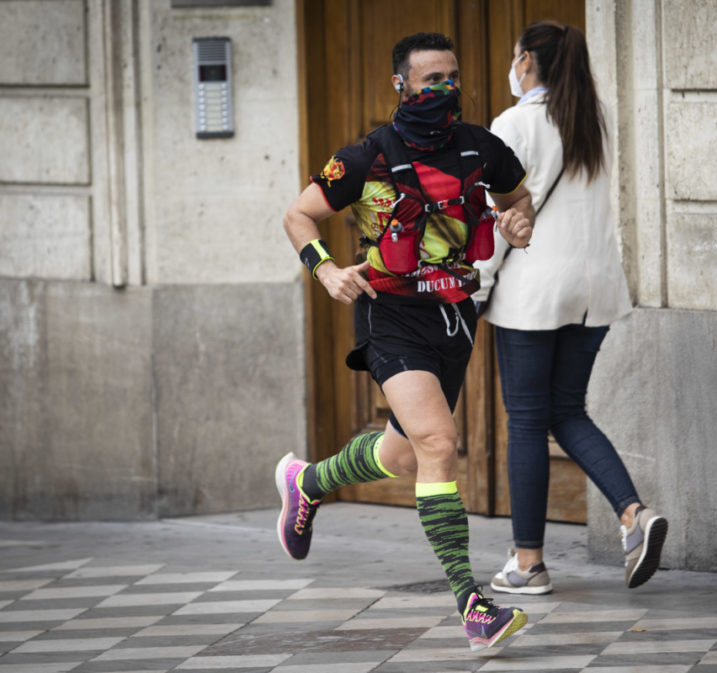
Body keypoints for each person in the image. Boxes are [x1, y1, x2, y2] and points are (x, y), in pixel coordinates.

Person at [273, 32, 535, 651]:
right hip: (389, 315)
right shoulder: (366, 156)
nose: (443, 91)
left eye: (452, 78)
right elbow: (298, 215)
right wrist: (327, 269)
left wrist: (520, 222)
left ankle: (307, 483)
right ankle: (472, 605)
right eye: (430, 80)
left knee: (403, 457)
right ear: (402, 86)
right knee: (441, 442)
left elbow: (517, 199)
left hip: (454, 316)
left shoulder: (483, 148)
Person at [473, 21, 668, 595]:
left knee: (530, 420)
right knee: (566, 410)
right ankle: (634, 516)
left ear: (527, 60)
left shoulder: (515, 124)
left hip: (533, 292)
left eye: (515, 56)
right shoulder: (594, 117)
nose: (513, 65)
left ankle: (528, 563)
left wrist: (477, 284)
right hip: (595, 290)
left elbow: (499, 221)